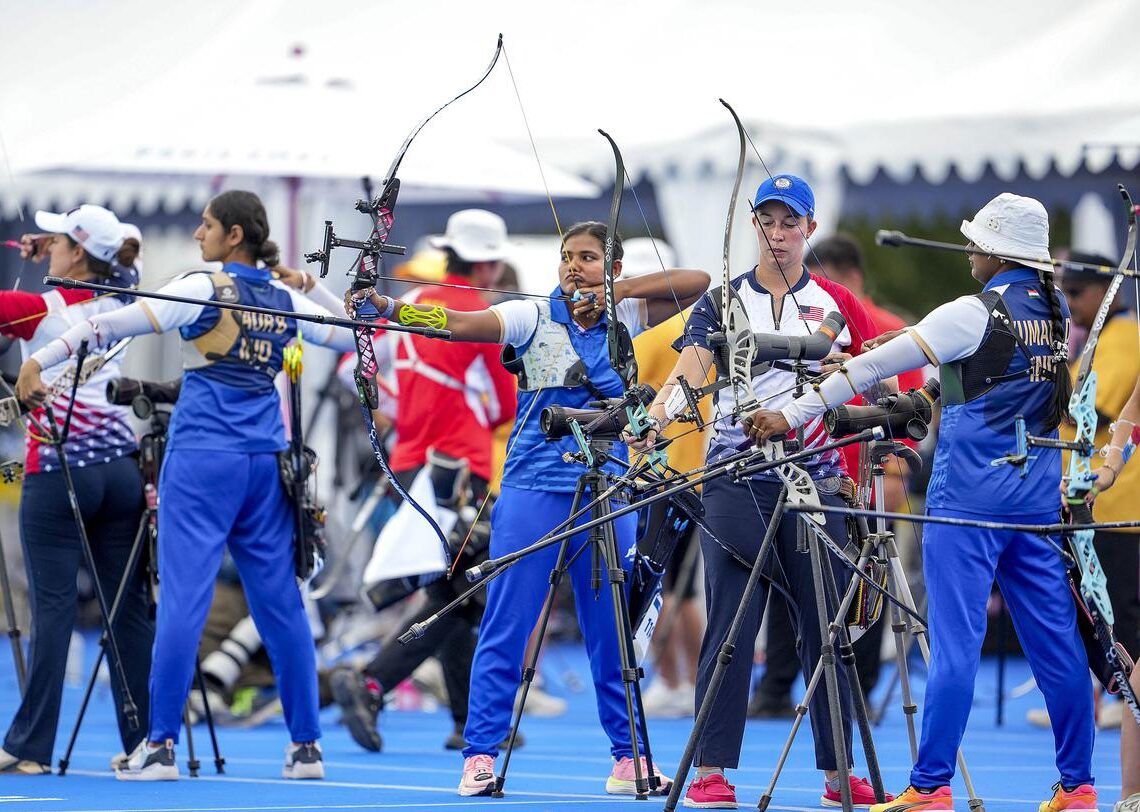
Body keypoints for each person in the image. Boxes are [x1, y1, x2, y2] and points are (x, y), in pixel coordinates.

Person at [748, 192, 1096, 811]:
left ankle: (931, 788)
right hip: (1037, 503)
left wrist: (794, 411)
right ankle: (1079, 787)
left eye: (977, 242)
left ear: (995, 251)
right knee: (1059, 646)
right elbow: (998, 379)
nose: (967, 251)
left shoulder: (970, 310)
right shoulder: (1054, 308)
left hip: (968, 504)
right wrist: (931, 393)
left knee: (955, 646)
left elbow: (870, 364)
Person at [345, 220, 709, 797]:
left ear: (610, 269)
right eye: (567, 256)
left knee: (611, 629)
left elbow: (699, 283)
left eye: (587, 258)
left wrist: (623, 290)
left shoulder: (629, 317)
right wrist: (391, 309)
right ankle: (479, 757)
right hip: (533, 490)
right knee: (507, 620)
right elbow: (459, 324)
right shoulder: (531, 315)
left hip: (607, 491)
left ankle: (628, 758)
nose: (572, 267)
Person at [16, 190, 356, 781]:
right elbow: (354, 336)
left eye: (205, 225)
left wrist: (38, 361)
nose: (197, 235)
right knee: (281, 605)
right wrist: (305, 285)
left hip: (203, 463)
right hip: (266, 465)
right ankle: (307, 748)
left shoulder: (202, 286)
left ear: (232, 236)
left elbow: (105, 323)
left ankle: (161, 746)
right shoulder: (282, 297)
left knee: (182, 602)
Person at [635, 174, 892, 809]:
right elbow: (689, 375)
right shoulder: (722, 302)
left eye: (790, 223)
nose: (777, 234)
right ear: (755, 226)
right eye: (768, 222)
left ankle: (839, 775)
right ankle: (713, 772)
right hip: (734, 478)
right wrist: (654, 423)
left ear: (808, 229)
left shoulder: (836, 304)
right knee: (731, 625)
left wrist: (862, 397)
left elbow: (881, 377)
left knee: (825, 625)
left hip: (816, 479)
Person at [330, 209, 518, 753]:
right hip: (459, 467)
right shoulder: (481, 314)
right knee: (461, 592)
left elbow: (354, 369)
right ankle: (371, 682)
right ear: (486, 263)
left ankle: (468, 719)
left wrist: (395, 411)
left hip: (409, 463)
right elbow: (505, 404)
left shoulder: (412, 305)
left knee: (452, 586)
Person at [0, 205, 150, 775]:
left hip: (60, 469)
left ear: (79, 253)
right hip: (121, 472)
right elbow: (124, 261)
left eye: (60, 240)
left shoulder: (40, 310)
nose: (48, 247)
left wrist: (49, 263)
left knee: (54, 608)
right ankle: (144, 745)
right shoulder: (127, 304)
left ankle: (30, 748)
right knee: (126, 611)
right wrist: (56, 250)